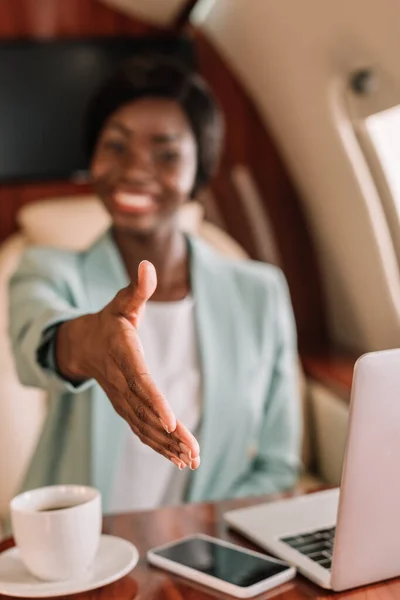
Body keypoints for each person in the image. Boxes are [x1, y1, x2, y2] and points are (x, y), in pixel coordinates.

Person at [9, 56, 302, 513]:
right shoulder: (46, 268)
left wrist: (200, 539)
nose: (134, 169)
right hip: (80, 550)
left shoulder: (260, 293)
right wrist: (89, 343)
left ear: (199, 171)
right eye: (116, 146)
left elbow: (278, 465)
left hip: (201, 555)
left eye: (165, 154)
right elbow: (40, 345)